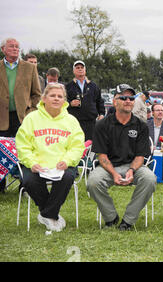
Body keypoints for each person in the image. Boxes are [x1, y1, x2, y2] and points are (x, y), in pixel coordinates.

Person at [15, 83, 85, 231]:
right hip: (37, 165)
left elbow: (77, 146)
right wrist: (32, 163)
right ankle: (52, 216)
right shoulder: (31, 119)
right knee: (29, 181)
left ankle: (47, 214)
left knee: (66, 178)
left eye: (60, 96)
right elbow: (23, 145)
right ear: (44, 98)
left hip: (62, 165)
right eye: (52, 95)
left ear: (64, 100)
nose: (56, 99)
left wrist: (67, 161)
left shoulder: (71, 121)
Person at [87, 84, 156, 230]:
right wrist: (114, 173)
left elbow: (140, 156)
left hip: (133, 166)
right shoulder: (102, 124)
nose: (128, 100)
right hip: (108, 167)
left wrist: (131, 170)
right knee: (93, 181)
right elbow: (102, 156)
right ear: (114, 101)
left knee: (150, 179)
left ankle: (128, 221)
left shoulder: (141, 126)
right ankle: (111, 218)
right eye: (123, 97)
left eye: (131, 98)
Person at [0, 38, 42, 193]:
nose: (15, 49)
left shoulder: (29, 68)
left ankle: (25, 186)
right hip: (1, 118)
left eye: (17, 47)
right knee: (0, 153)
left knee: (24, 151)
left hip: (22, 118)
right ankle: (1, 186)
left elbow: (37, 94)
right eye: (11, 46)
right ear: (3, 49)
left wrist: (30, 112)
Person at [66, 60, 105, 141]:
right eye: (77, 68)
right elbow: (63, 102)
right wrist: (70, 104)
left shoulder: (93, 86)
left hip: (91, 123)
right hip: (74, 122)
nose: (80, 69)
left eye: (82, 67)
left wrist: (101, 113)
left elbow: (99, 101)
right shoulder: (68, 86)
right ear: (74, 71)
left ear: (85, 70)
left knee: (90, 147)